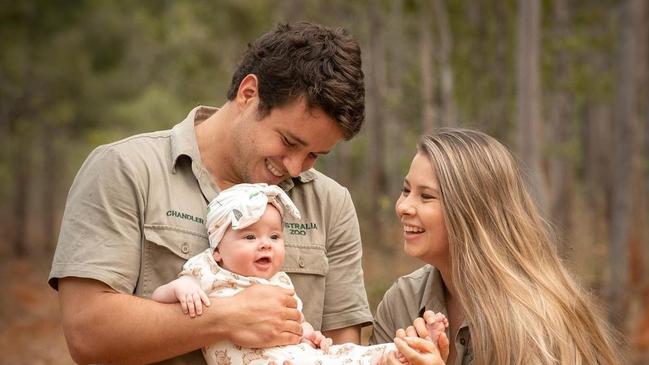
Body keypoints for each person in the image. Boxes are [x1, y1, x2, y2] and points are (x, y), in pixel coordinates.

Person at [49, 22, 373, 365]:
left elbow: (343, 350)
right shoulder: (125, 170)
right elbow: (88, 334)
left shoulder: (331, 203)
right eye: (289, 142)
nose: (295, 167)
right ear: (249, 94)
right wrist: (225, 317)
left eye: (313, 156)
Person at [371, 128, 620, 365]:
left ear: (471, 210)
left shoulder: (537, 320)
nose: (403, 206)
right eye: (406, 190)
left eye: (426, 196)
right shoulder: (401, 302)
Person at [152, 183, 419, 365]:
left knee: (346, 354)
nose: (265, 243)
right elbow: (159, 295)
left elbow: (291, 324)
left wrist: (308, 333)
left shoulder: (280, 282)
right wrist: (182, 287)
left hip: (293, 356)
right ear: (218, 248)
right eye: (249, 236)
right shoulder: (207, 268)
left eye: (275, 236)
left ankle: (402, 351)